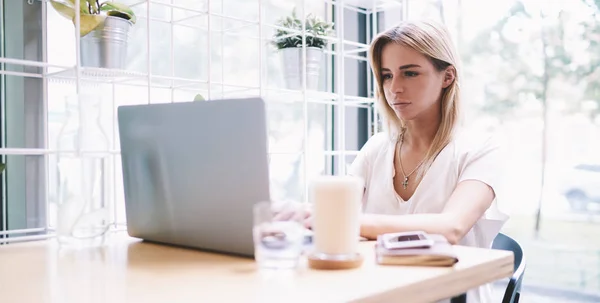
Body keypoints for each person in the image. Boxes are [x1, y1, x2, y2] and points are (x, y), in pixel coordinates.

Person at [347, 20, 509, 303]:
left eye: (410, 73)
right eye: (386, 75)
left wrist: (348, 222)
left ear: (447, 77)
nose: (394, 88)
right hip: (381, 292)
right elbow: (335, 210)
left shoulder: (481, 150)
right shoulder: (375, 149)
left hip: (450, 296)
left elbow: (450, 227)